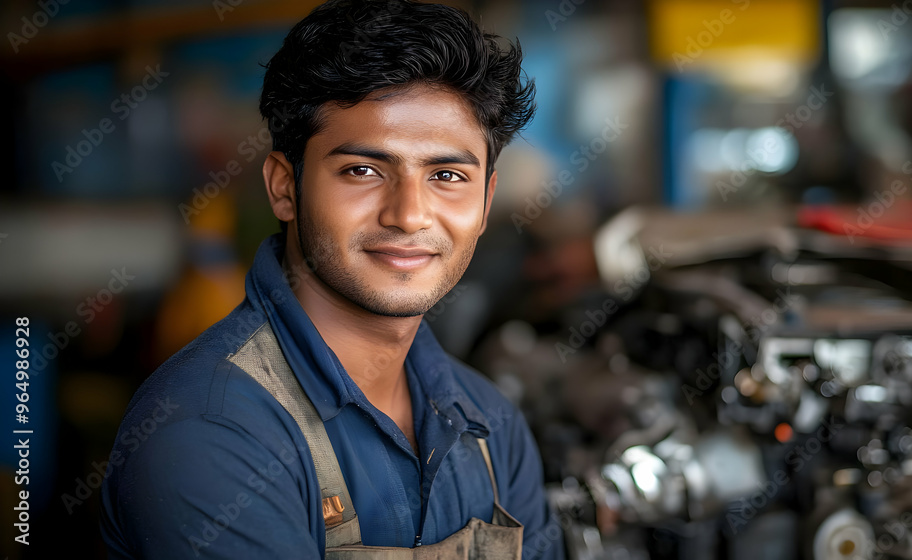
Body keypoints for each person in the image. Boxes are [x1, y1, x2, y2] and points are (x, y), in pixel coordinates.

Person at [99, 1, 565, 558]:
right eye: (362, 171)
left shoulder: (490, 428)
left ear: (486, 202)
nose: (409, 214)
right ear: (283, 187)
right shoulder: (208, 431)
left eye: (446, 175)